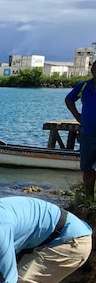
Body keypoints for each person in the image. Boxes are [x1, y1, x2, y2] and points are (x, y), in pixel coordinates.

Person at [65, 61, 96, 201]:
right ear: (92, 71)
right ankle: (88, 199)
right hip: (87, 134)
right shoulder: (84, 86)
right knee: (87, 167)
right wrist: (78, 116)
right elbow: (69, 100)